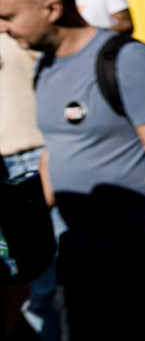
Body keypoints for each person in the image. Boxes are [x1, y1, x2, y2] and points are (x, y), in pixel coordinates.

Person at [0, 0, 145, 339]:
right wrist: (22, 219)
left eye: (8, 17)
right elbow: (55, 150)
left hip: (137, 252)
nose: (2, 28)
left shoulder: (126, 59)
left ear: (52, 9)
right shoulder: (45, 66)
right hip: (80, 249)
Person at [0, 33, 66, 341]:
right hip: (4, 167)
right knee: (21, 276)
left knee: (51, 273)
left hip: (36, 157)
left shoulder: (19, 33)